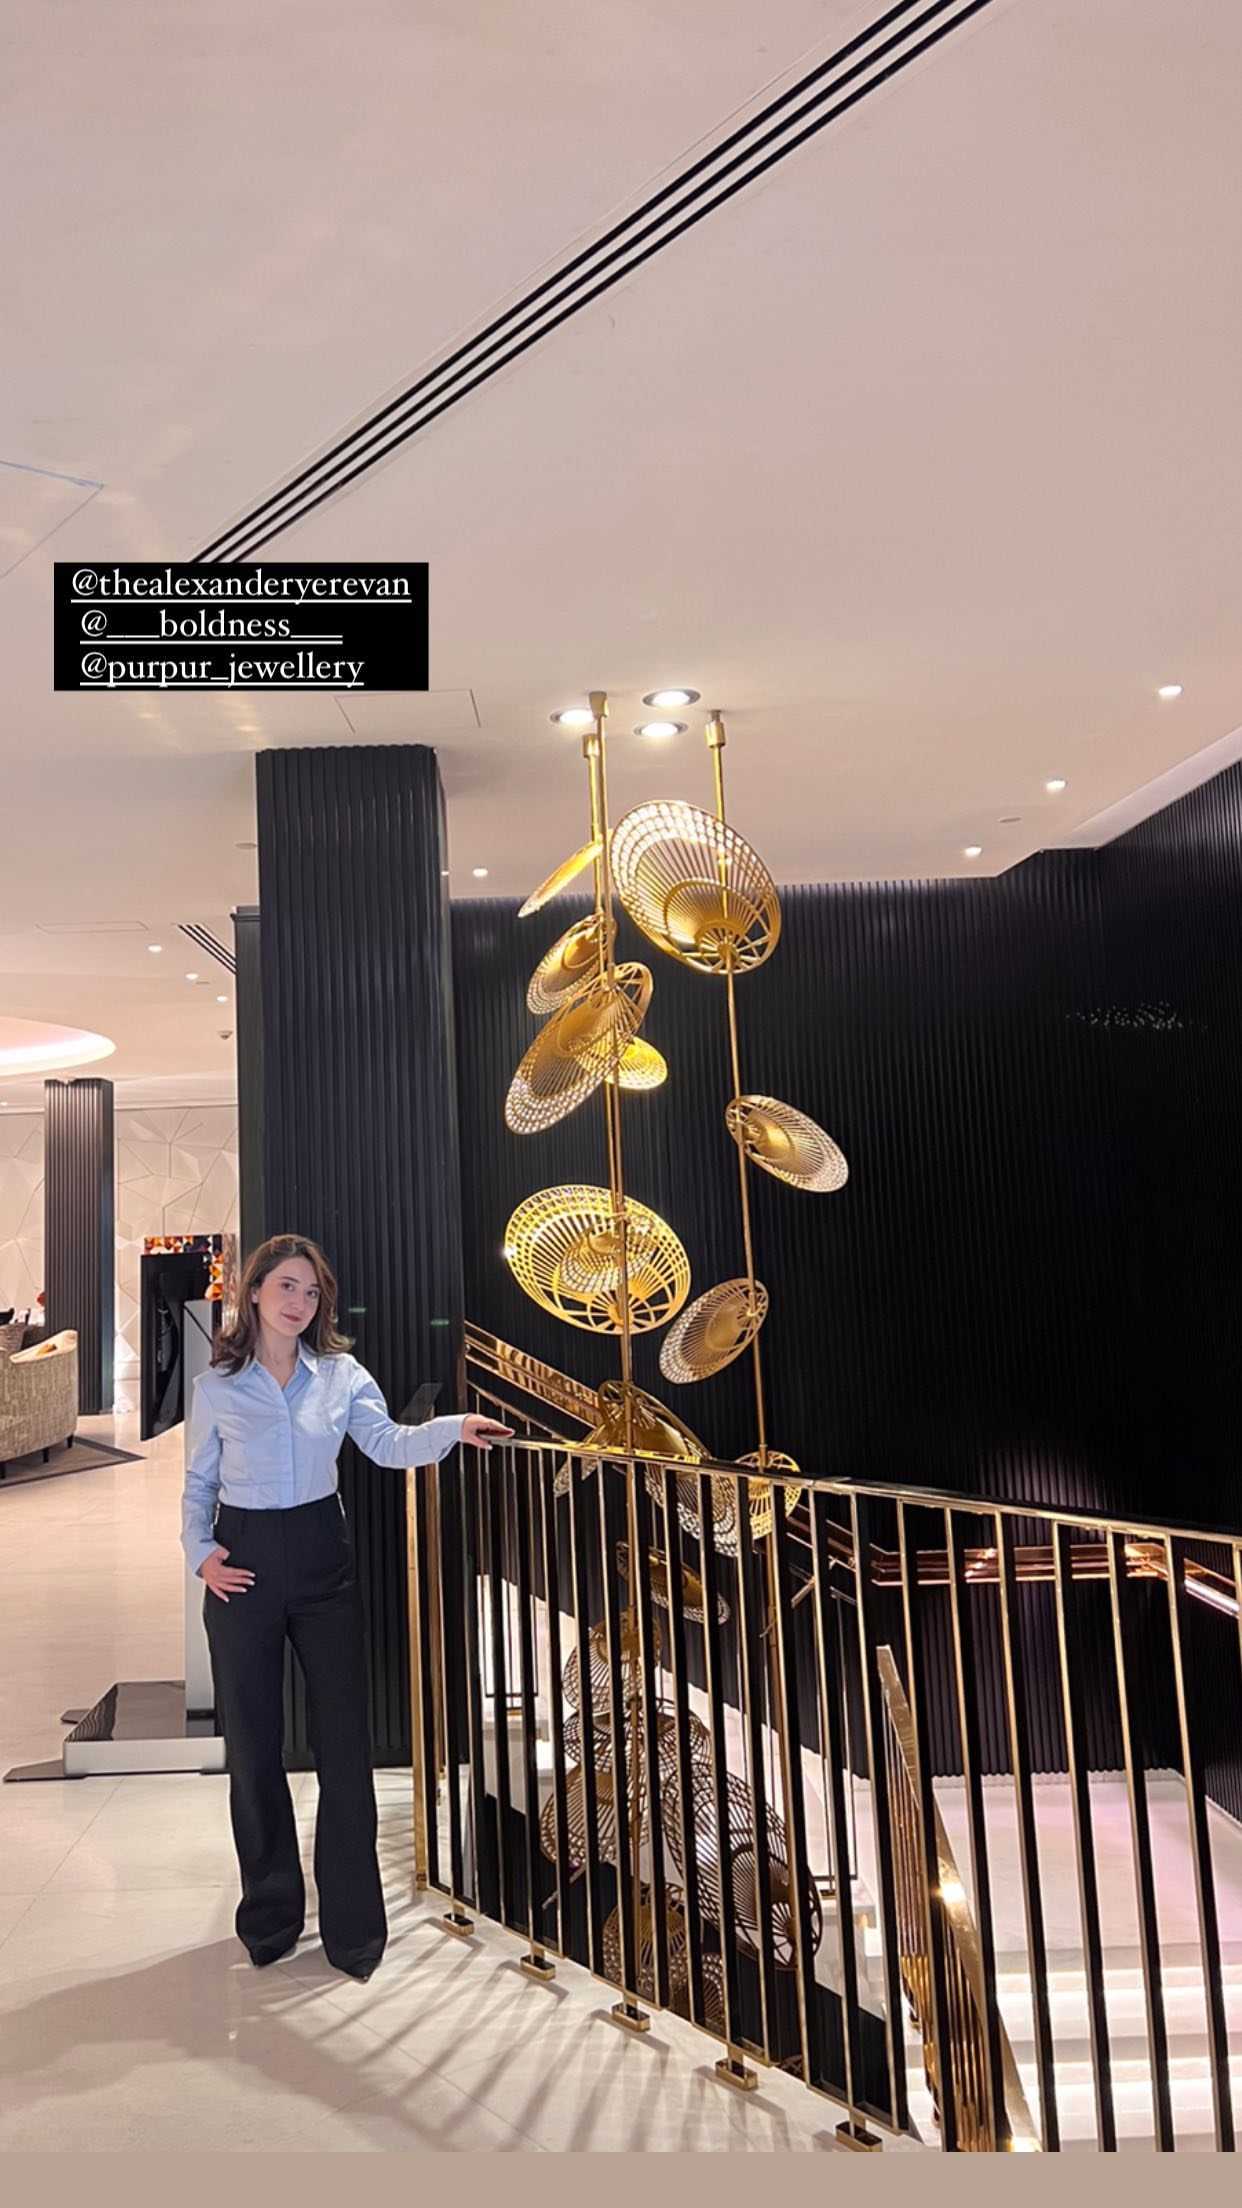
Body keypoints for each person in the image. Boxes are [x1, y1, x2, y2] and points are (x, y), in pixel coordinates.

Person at [181, 1232, 511, 1981]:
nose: (299, 1302)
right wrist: (201, 1555)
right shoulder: (218, 1387)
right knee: (254, 1750)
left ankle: (355, 1929)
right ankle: (270, 1916)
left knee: (344, 1748)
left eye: (311, 1292)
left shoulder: (340, 1375)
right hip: (242, 1563)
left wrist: (453, 1429)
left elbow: (387, 1443)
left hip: (322, 1561)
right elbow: (199, 1483)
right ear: (255, 1291)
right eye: (286, 1286)